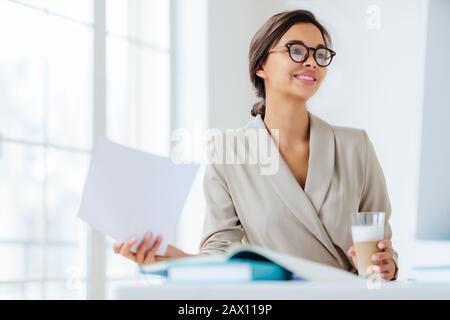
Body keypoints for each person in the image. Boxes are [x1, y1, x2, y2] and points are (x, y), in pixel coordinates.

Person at [113, 9, 398, 280]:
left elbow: (380, 245)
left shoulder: (355, 146)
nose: (312, 62)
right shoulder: (228, 152)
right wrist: (171, 259)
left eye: (320, 54)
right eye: (296, 50)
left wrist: (388, 265)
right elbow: (221, 252)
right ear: (261, 65)